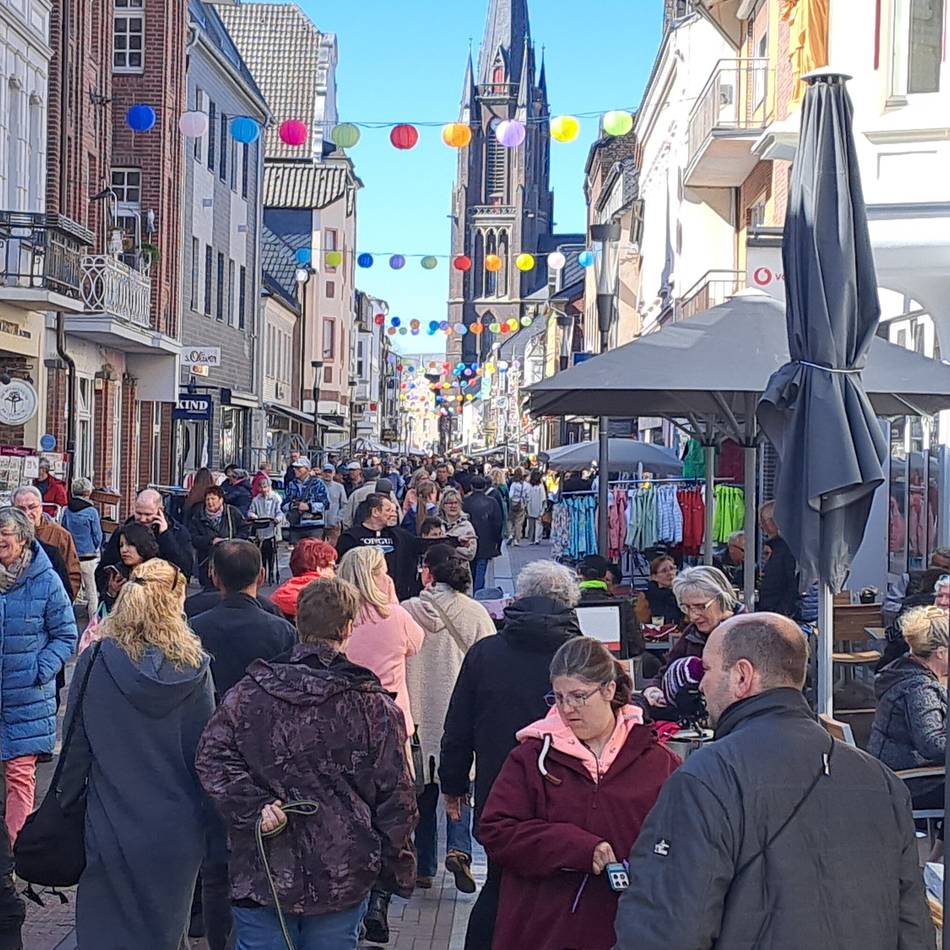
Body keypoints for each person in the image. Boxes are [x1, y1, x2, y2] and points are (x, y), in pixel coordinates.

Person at [614, 613, 934, 949]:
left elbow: (666, 930)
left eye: (707, 670)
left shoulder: (706, 777)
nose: (701, 684)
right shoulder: (879, 779)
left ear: (742, 676)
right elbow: (912, 926)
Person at [195, 577, 418, 949]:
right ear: (348, 628)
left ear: (299, 623)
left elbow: (211, 758)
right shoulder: (374, 708)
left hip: (263, 866)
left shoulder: (250, 694)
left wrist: (252, 805)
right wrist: (395, 867)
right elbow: (397, 798)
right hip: (341, 869)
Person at [480, 637, 678, 950]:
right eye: (558, 698)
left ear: (609, 691)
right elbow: (496, 830)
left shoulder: (659, 761)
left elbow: (682, 843)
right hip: (546, 930)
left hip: (631, 930)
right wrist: (575, 847)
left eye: (579, 696)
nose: (567, 709)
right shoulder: (531, 757)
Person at [57, 558, 214, 950]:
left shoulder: (95, 661)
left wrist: (62, 806)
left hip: (109, 817)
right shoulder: (194, 668)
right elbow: (205, 754)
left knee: (103, 931)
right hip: (177, 825)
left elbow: (75, 744)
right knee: (165, 932)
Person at [440, 560, 582, 950]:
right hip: (570, 790)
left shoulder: (486, 653)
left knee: (500, 884)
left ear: (519, 599)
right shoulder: (585, 657)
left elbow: (459, 727)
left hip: (499, 790)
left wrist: (453, 786)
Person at [189, 541, 297, 949]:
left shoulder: (194, 627)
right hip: (264, 758)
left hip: (210, 753)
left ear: (215, 577)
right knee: (264, 859)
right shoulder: (281, 630)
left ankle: (220, 938)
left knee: (216, 862)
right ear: (263, 576)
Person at [335, 546, 425, 942]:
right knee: (390, 814)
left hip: (343, 725)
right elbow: (416, 645)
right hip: (391, 723)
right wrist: (390, 600)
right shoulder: (396, 616)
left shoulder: (340, 617)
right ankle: (379, 899)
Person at [403, 545, 495, 893]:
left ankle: (423, 865)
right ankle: (459, 848)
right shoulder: (475, 614)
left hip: (417, 712)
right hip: (459, 713)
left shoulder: (406, 611)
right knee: (458, 785)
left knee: (422, 791)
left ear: (427, 573)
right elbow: (489, 663)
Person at [0, 507, 77, 842]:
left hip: (27, 697)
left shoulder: (45, 581)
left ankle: (12, 853)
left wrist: (40, 669)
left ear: (23, 540)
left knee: (19, 776)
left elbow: (66, 635)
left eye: (4, 539)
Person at [869, 604, 948, 857]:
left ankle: (937, 858)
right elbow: (932, 744)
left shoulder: (900, 671)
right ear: (941, 653)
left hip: (890, 774)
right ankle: (937, 862)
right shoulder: (920, 689)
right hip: (908, 781)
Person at [642, 565, 740, 709]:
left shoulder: (747, 632)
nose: (693, 615)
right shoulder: (692, 632)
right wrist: (653, 690)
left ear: (721, 599)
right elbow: (665, 671)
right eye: (687, 607)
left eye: (701, 607)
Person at [337, 493, 419, 600]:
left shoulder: (400, 536)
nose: (394, 514)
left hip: (394, 597)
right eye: (388, 510)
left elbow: (420, 546)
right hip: (361, 596)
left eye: (394, 511)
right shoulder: (350, 537)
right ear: (375, 512)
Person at [99, 488, 194, 580]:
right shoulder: (123, 531)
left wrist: (165, 536)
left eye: (148, 514)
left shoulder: (178, 532)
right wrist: (110, 590)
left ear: (160, 510)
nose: (143, 519)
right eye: (139, 513)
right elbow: (102, 570)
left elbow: (185, 570)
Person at [13, 485, 81, 599]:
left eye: (32, 507)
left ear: (41, 507)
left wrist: (61, 603)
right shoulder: (6, 537)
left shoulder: (60, 535)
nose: (27, 513)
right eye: (21, 509)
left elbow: (73, 575)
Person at [576, 554, 647, 663]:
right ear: (605, 575)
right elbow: (636, 646)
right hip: (613, 668)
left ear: (580, 574)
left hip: (578, 668)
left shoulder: (568, 605)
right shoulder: (622, 605)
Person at [188, 485, 249, 589]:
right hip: (207, 563)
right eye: (207, 499)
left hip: (230, 560)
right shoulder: (198, 516)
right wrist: (211, 541)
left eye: (213, 499)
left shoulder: (232, 512)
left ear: (221, 500)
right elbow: (193, 538)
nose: (210, 502)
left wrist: (234, 542)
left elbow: (244, 529)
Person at [95, 521, 160, 612]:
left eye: (130, 544)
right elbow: (105, 612)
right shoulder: (116, 573)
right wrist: (111, 593)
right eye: (121, 545)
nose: (124, 550)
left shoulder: (159, 574)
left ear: (143, 545)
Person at [62, 476, 103, 615]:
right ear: (87, 492)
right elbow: (98, 535)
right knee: (91, 592)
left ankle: (69, 617)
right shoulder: (92, 512)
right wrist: (94, 546)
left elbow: (63, 531)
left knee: (71, 589)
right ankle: (92, 622)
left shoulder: (67, 511)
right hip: (88, 556)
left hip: (72, 556)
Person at [271, 538, 339, 620]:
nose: (335, 573)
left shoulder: (274, 599)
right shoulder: (329, 599)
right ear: (320, 569)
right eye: (333, 567)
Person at [758, 500, 800, 618]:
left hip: (779, 614)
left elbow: (793, 585)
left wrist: (781, 613)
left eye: (764, 521)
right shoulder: (777, 548)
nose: (762, 527)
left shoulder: (788, 549)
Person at [463, 476, 503, 592]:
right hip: (486, 540)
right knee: (481, 567)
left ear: (471, 486)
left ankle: (469, 590)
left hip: (469, 539)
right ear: (485, 486)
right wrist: (496, 541)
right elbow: (498, 523)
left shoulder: (465, 502)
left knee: (470, 567)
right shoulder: (492, 502)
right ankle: (478, 592)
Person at [282, 457, 330, 543]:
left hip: (314, 526)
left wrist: (309, 506)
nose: (295, 470)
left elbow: (326, 504)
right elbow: (283, 504)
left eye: (299, 468)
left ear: (307, 469)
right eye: (295, 468)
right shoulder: (291, 484)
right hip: (295, 526)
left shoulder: (318, 483)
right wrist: (293, 505)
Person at [247, 476, 284, 584]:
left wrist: (278, 519)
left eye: (265, 487)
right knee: (262, 553)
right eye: (261, 487)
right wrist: (253, 516)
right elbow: (250, 511)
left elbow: (280, 512)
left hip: (272, 528)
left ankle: (271, 572)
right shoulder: (256, 499)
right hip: (261, 528)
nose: (263, 490)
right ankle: (262, 573)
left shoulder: (276, 498)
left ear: (269, 487)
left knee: (271, 553)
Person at [644, 554, 683, 626]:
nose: (670, 573)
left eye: (672, 569)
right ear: (654, 577)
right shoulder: (646, 598)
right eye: (664, 571)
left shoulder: (683, 593)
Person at [439, 489, 477, 562]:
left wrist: (447, 548)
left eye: (456, 503)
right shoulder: (437, 525)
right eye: (450, 503)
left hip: (460, 570)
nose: (453, 506)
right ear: (443, 506)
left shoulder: (466, 526)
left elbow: (470, 553)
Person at [320, 461, 348, 544]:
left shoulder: (339, 487)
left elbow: (344, 505)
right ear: (322, 473)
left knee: (333, 548)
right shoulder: (316, 485)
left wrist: (337, 519)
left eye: (330, 472)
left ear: (334, 473)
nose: (327, 474)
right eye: (325, 472)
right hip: (318, 524)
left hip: (333, 525)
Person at [525, 470, 548, 545]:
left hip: (530, 506)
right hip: (539, 506)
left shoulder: (529, 485)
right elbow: (543, 497)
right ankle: (537, 538)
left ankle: (531, 538)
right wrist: (543, 508)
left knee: (531, 523)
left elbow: (527, 497)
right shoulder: (540, 486)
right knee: (538, 523)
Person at [507, 468, 529, 544]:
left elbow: (510, 495)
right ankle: (517, 539)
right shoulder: (526, 485)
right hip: (521, 504)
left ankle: (510, 534)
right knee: (519, 522)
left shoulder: (513, 484)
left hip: (513, 503)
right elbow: (527, 496)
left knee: (510, 520)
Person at [487, 468, 509, 538]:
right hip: (502, 505)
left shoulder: (490, 487)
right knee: (502, 521)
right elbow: (508, 498)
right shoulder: (504, 486)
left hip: (490, 504)